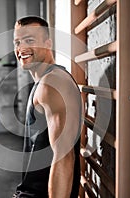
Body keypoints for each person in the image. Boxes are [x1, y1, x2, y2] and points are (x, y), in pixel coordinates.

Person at [12, 16, 82, 198]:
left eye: (29, 40)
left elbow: (64, 156)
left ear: (48, 43)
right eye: (17, 42)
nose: (21, 48)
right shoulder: (44, 82)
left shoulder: (52, 83)